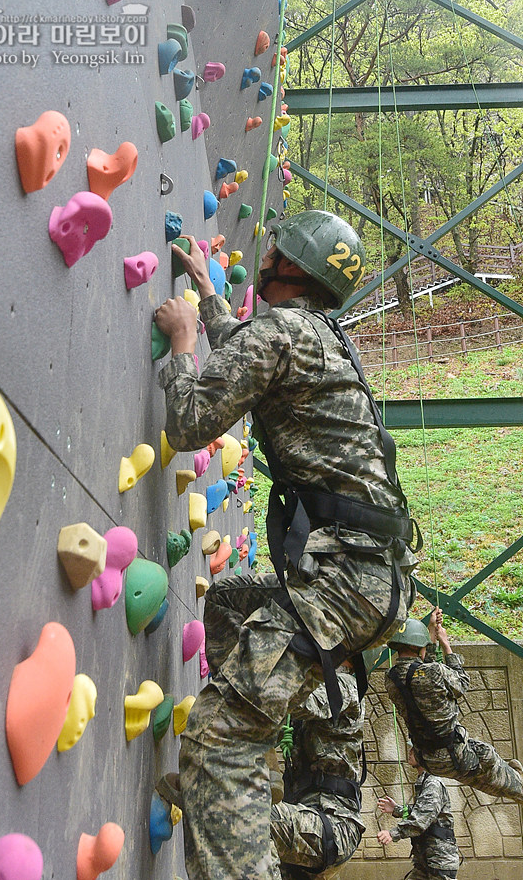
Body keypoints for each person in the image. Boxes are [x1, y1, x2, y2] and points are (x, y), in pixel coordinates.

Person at [155, 210, 419, 880]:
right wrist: (210, 300)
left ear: (294, 269)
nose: (266, 252)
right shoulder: (317, 334)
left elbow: (190, 421)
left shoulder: (287, 332)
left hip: (343, 582)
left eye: (278, 249)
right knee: (235, 599)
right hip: (371, 579)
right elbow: (249, 355)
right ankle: (248, 765)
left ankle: (234, 775)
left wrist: (183, 345)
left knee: (217, 740)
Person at [385, 608, 523, 803]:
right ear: (419, 647)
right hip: (456, 755)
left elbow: (419, 673)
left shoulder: (390, 679)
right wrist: (445, 644)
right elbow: (461, 683)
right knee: (487, 758)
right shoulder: (433, 672)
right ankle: (516, 783)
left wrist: (430, 634)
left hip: (429, 759)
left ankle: (516, 785)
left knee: (482, 776)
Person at [269, 661, 367, 880]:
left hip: (334, 824)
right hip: (304, 819)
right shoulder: (306, 707)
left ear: (350, 659)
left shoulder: (347, 685)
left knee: (256, 815)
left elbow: (302, 702)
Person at [377, 746, 460, 880]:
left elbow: (421, 819)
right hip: (425, 860)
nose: (409, 753)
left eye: (413, 749)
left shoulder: (433, 784)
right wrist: (397, 810)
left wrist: (392, 833)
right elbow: (421, 811)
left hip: (440, 861)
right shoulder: (424, 781)